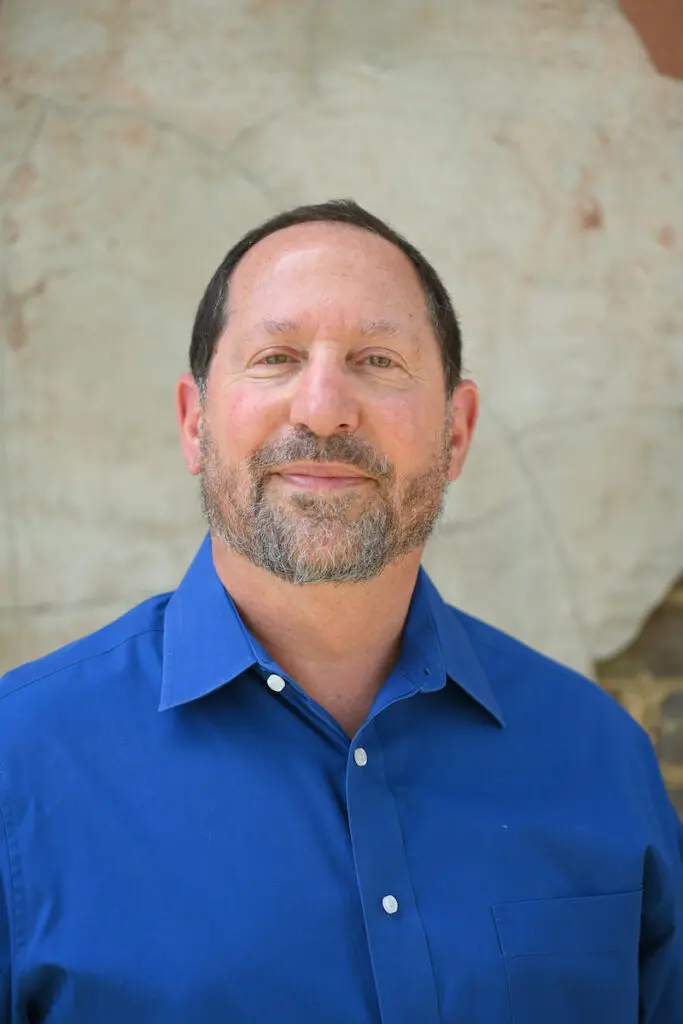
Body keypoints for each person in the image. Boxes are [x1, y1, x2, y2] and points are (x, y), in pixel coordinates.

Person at [0, 199, 680, 1024]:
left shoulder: (596, 754)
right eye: (276, 356)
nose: (323, 410)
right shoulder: (21, 763)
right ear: (193, 423)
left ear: (455, 433)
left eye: (377, 360)